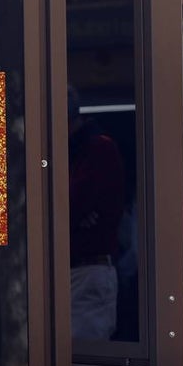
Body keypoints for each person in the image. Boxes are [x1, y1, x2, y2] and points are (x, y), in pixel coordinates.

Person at [68, 86, 125, 340]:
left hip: (88, 268)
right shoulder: (70, 152)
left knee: (82, 361)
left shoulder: (98, 148)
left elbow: (72, 204)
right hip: (72, 269)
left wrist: (69, 213)